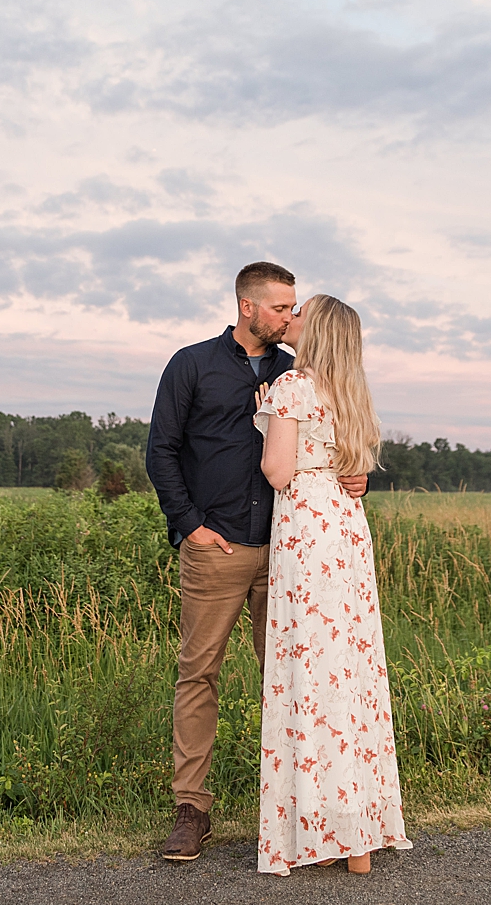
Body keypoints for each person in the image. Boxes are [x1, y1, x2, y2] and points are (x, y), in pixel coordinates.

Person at [146, 262, 369, 863]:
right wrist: (190, 526)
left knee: (299, 682)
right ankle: (191, 810)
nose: (289, 317)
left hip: (291, 556)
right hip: (218, 547)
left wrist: (359, 477)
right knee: (199, 676)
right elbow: (161, 450)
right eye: (280, 308)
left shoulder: (297, 372)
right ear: (248, 306)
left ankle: (306, 812)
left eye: (294, 309)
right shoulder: (192, 364)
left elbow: (340, 441)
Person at [253, 294, 410, 876]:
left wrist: (268, 420)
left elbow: (277, 470)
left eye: (300, 313)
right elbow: (355, 466)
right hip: (346, 528)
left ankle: (312, 826)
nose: (290, 318)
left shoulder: (292, 387)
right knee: (349, 669)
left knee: (309, 671)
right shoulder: (353, 392)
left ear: (314, 331)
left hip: (305, 526)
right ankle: (358, 840)